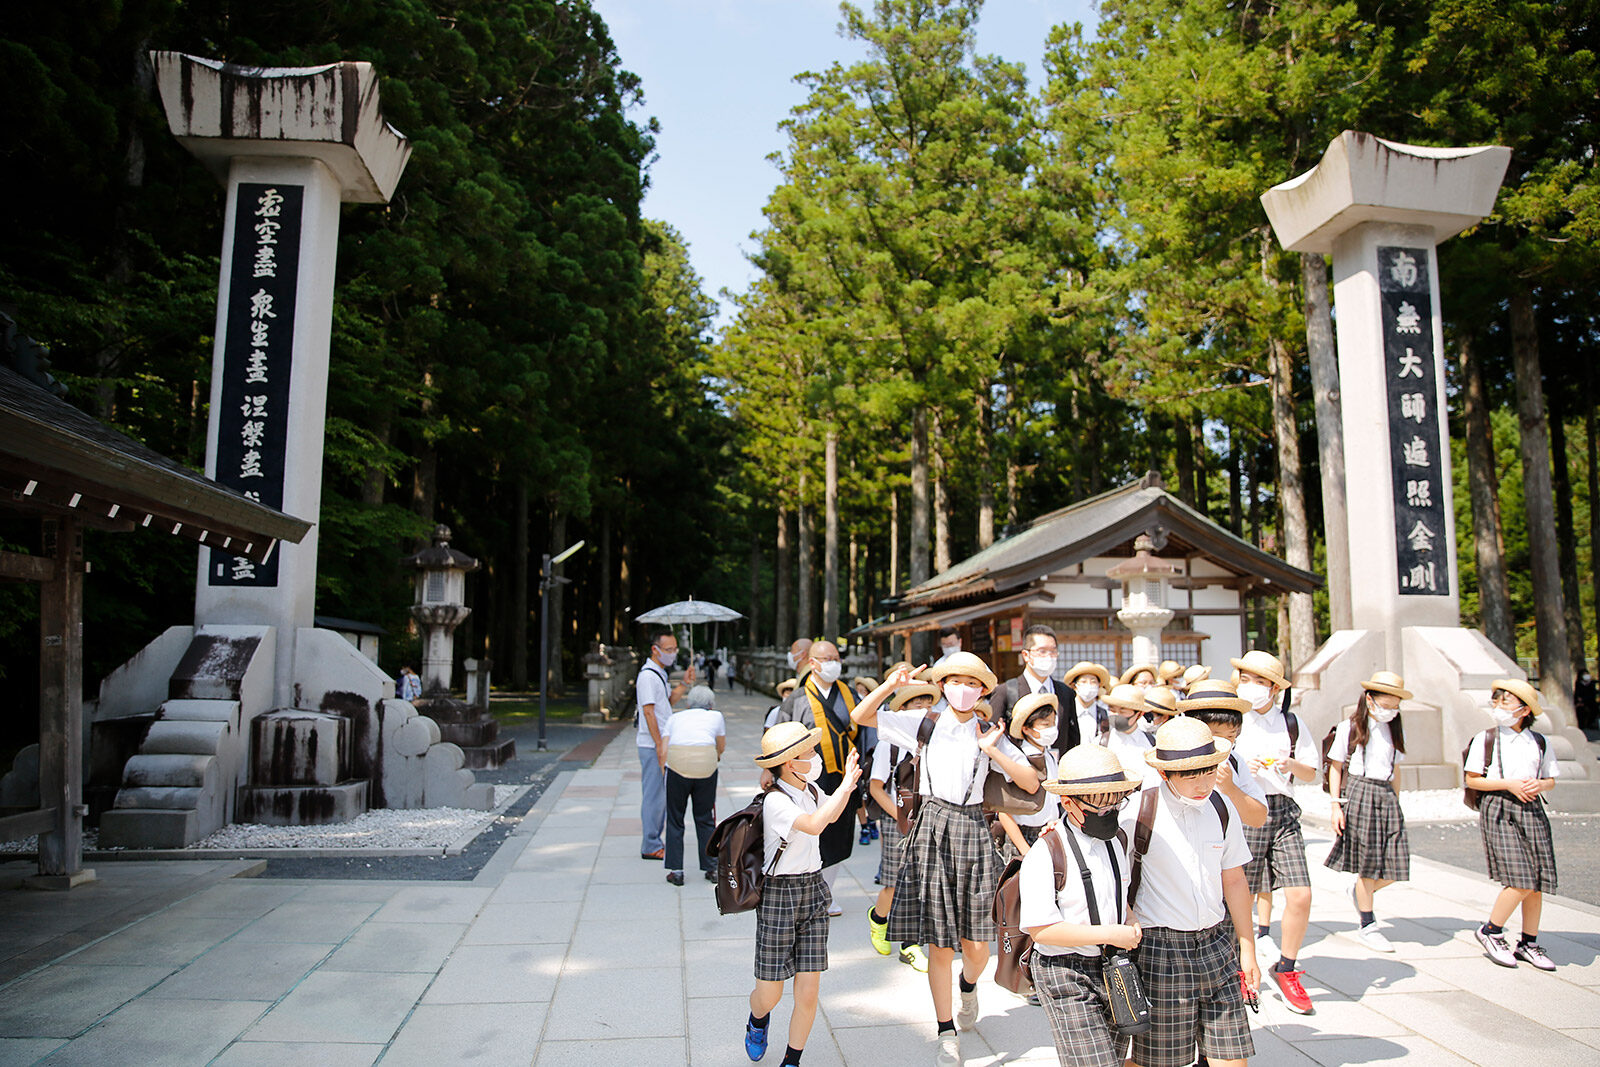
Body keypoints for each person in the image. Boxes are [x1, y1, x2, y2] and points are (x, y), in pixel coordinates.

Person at [852, 653, 1042, 1067]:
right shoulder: (924, 723)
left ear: (982, 690)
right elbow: (861, 715)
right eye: (954, 680)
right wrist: (891, 685)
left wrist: (996, 751)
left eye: (971, 682)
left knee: (977, 945)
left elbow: (1030, 781)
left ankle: (969, 986)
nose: (962, 688)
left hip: (973, 827)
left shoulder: (990, 731)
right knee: (939, 942)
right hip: (932, 824)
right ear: (942, 686)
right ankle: (945, 1031)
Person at [1131, 716, 1260, 1067]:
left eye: (1207, 771)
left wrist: (1247, 949)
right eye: (1189, 774)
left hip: (1217, 944)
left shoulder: (1221, 807)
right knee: (1156, 1062)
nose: (1202, 782)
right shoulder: (1139, 812)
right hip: (1161, 949)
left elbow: (1233, 879)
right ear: (1165, 773)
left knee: (1231, 1059)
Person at [745, 723, 863, 1065]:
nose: (816, 757)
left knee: (809, 991)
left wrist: (847, 787)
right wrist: (843, 788)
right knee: (769, 994)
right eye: (808, 753)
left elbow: (832, 813)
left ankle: (792, 1060)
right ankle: (757, 1019)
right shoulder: (776, 801)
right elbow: (813, 825)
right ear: (788, 763)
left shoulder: (810, 790)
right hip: (779, 895)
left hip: (813, 889)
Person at [1019, 744, 1143, 1067]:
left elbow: (1120, 894)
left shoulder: (1117, 841)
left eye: (1115, 804)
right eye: (1099, 809)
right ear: (1068, 802)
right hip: (1065, 970)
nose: (1109, 814)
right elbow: (1041, 930)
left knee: (1111, 1060)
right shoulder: (1046, 852)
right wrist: (1112, 934)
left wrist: (1129, 921)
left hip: (1113, 964)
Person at [1229, 649, 1318, 1014]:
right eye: (1246, 679)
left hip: (1282, 811)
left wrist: (1291, 762)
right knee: (1240, 895)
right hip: (1245, 810)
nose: (1253, 687)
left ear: (1274, 688)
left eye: (1261, 681)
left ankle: (1287, 966)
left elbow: (1311, 771)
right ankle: (1238, 966)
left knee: (1300, 894)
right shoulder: (1234, 720)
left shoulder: (1291, 722)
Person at [1465, 678, 1560, 971]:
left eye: (1505, 701)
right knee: (1520, 879)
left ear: (1524, 709)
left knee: (1537, 882)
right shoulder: (1487, 738)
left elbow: (1551, 779)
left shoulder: (1539, 742)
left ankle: (1529, 943)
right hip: (1500, 808)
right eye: (1496, 700)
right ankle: (1491, 931)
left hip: (1531, 809)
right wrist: (1509, 784)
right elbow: (1472, 779)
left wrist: (1538, 785)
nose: (1498, 706)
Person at [1325, 672, 1413, 953]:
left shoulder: (1393, 729)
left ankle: (1363, 893)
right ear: (1370, 699)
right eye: (1385, 704)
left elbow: (1396, 768)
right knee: (1368, 862)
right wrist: (1336, 804)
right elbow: (1336, 766)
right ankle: (1368, 923)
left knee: (1396, 862)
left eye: (1394, 705)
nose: (1390, 710)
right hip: (1360, 792)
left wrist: (1396, 800)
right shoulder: (1349, 727)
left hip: (1386, 793)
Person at [776, 641, 861, 914]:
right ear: (813, 663)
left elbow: (864, 731)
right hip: (810, 777)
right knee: (812, 834)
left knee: (839, 834)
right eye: (828, 658)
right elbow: (780, 735)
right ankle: (811, 891)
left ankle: (828, 891)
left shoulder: (849, 694)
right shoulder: (797, 697)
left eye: (837, 658)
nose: (834, 663)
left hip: (845, 774)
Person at [867, 681, 939, 973]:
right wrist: (901, 817)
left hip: (929, 819)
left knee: (921, 883)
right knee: (894, 883)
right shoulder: (890, 743)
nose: (923, 709)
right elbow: (876, 788)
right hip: (897, 818)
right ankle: (878, 917)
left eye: (927, 704)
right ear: (903, 709)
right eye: (916, 704)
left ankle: (910, 944)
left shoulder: (936, 740)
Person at [635, 629, 694, 861]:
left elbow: (666, 703)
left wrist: (684, 684)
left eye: (674, 649)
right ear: (655, 649)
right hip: (652, 744)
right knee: (654, 795)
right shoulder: (648, 676)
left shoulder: (659, 673)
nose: (672, 654)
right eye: (668, 650)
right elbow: (648, 712)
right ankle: (650, 843)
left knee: (660, 793)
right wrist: (660, 745)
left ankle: (655, 840)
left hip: (660, 742)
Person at [1178, 680, 1269, 829]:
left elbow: (1258, 818)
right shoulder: (1171, 760)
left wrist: (1230, 788)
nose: (1224, 744)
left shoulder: (1234, 761)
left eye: (1230, 737)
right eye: (1215, 735)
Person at [661, 684, 726, 886]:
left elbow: (664, 748)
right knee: (705, 817)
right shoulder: (716, 717)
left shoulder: (674, 718)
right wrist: (715, 757)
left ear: (688, 703)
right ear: (711, 704)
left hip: (677, 764)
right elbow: (720, 745)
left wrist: (665, 770)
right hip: (706, 766)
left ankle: (677, 871)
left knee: (675, 818)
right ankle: (711, 867)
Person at [989, 624, 1083, 757]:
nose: (1049, 656)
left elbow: (1072, 737)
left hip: (1057, 770)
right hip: (1017, 772)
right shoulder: (1006, 691)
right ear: (1026, 655)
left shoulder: (1065, 692)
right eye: (1042, 651)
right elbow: (993, 736)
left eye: (1053, 651)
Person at [992, 692, 1059, 862]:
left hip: (1050, 830)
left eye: (1053, 723)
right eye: (1045, 724)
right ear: (1026, 729)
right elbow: (1005, 812)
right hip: (1023, 836)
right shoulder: (1018, 758)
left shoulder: (1049, 756)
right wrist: (1025, 849)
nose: (1052, 728)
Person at [1062, 661, 1112, 749]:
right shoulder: (1066, 711)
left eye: (1093, 682)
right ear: (1075, 686)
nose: (1089, 685)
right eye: (1083, 681)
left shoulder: (1105, 713)